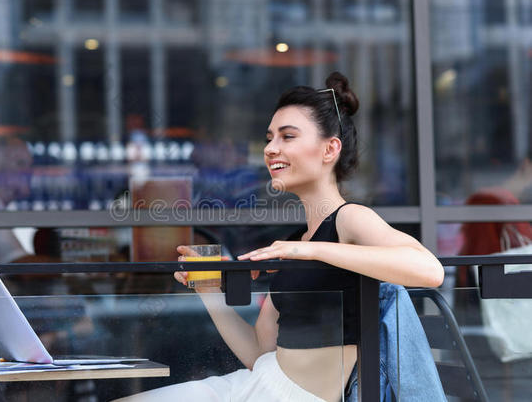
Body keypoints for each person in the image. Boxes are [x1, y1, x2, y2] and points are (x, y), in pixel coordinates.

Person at [114, 72, 444, 402]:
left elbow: (429, 270)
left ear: (330, 149)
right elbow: (259, 352)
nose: (271, 149)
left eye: (287, 137)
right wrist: (209, 291)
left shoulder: (349, 218)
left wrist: (313, 251)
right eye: (270, 138)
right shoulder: (298, 238)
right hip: (260, 382)